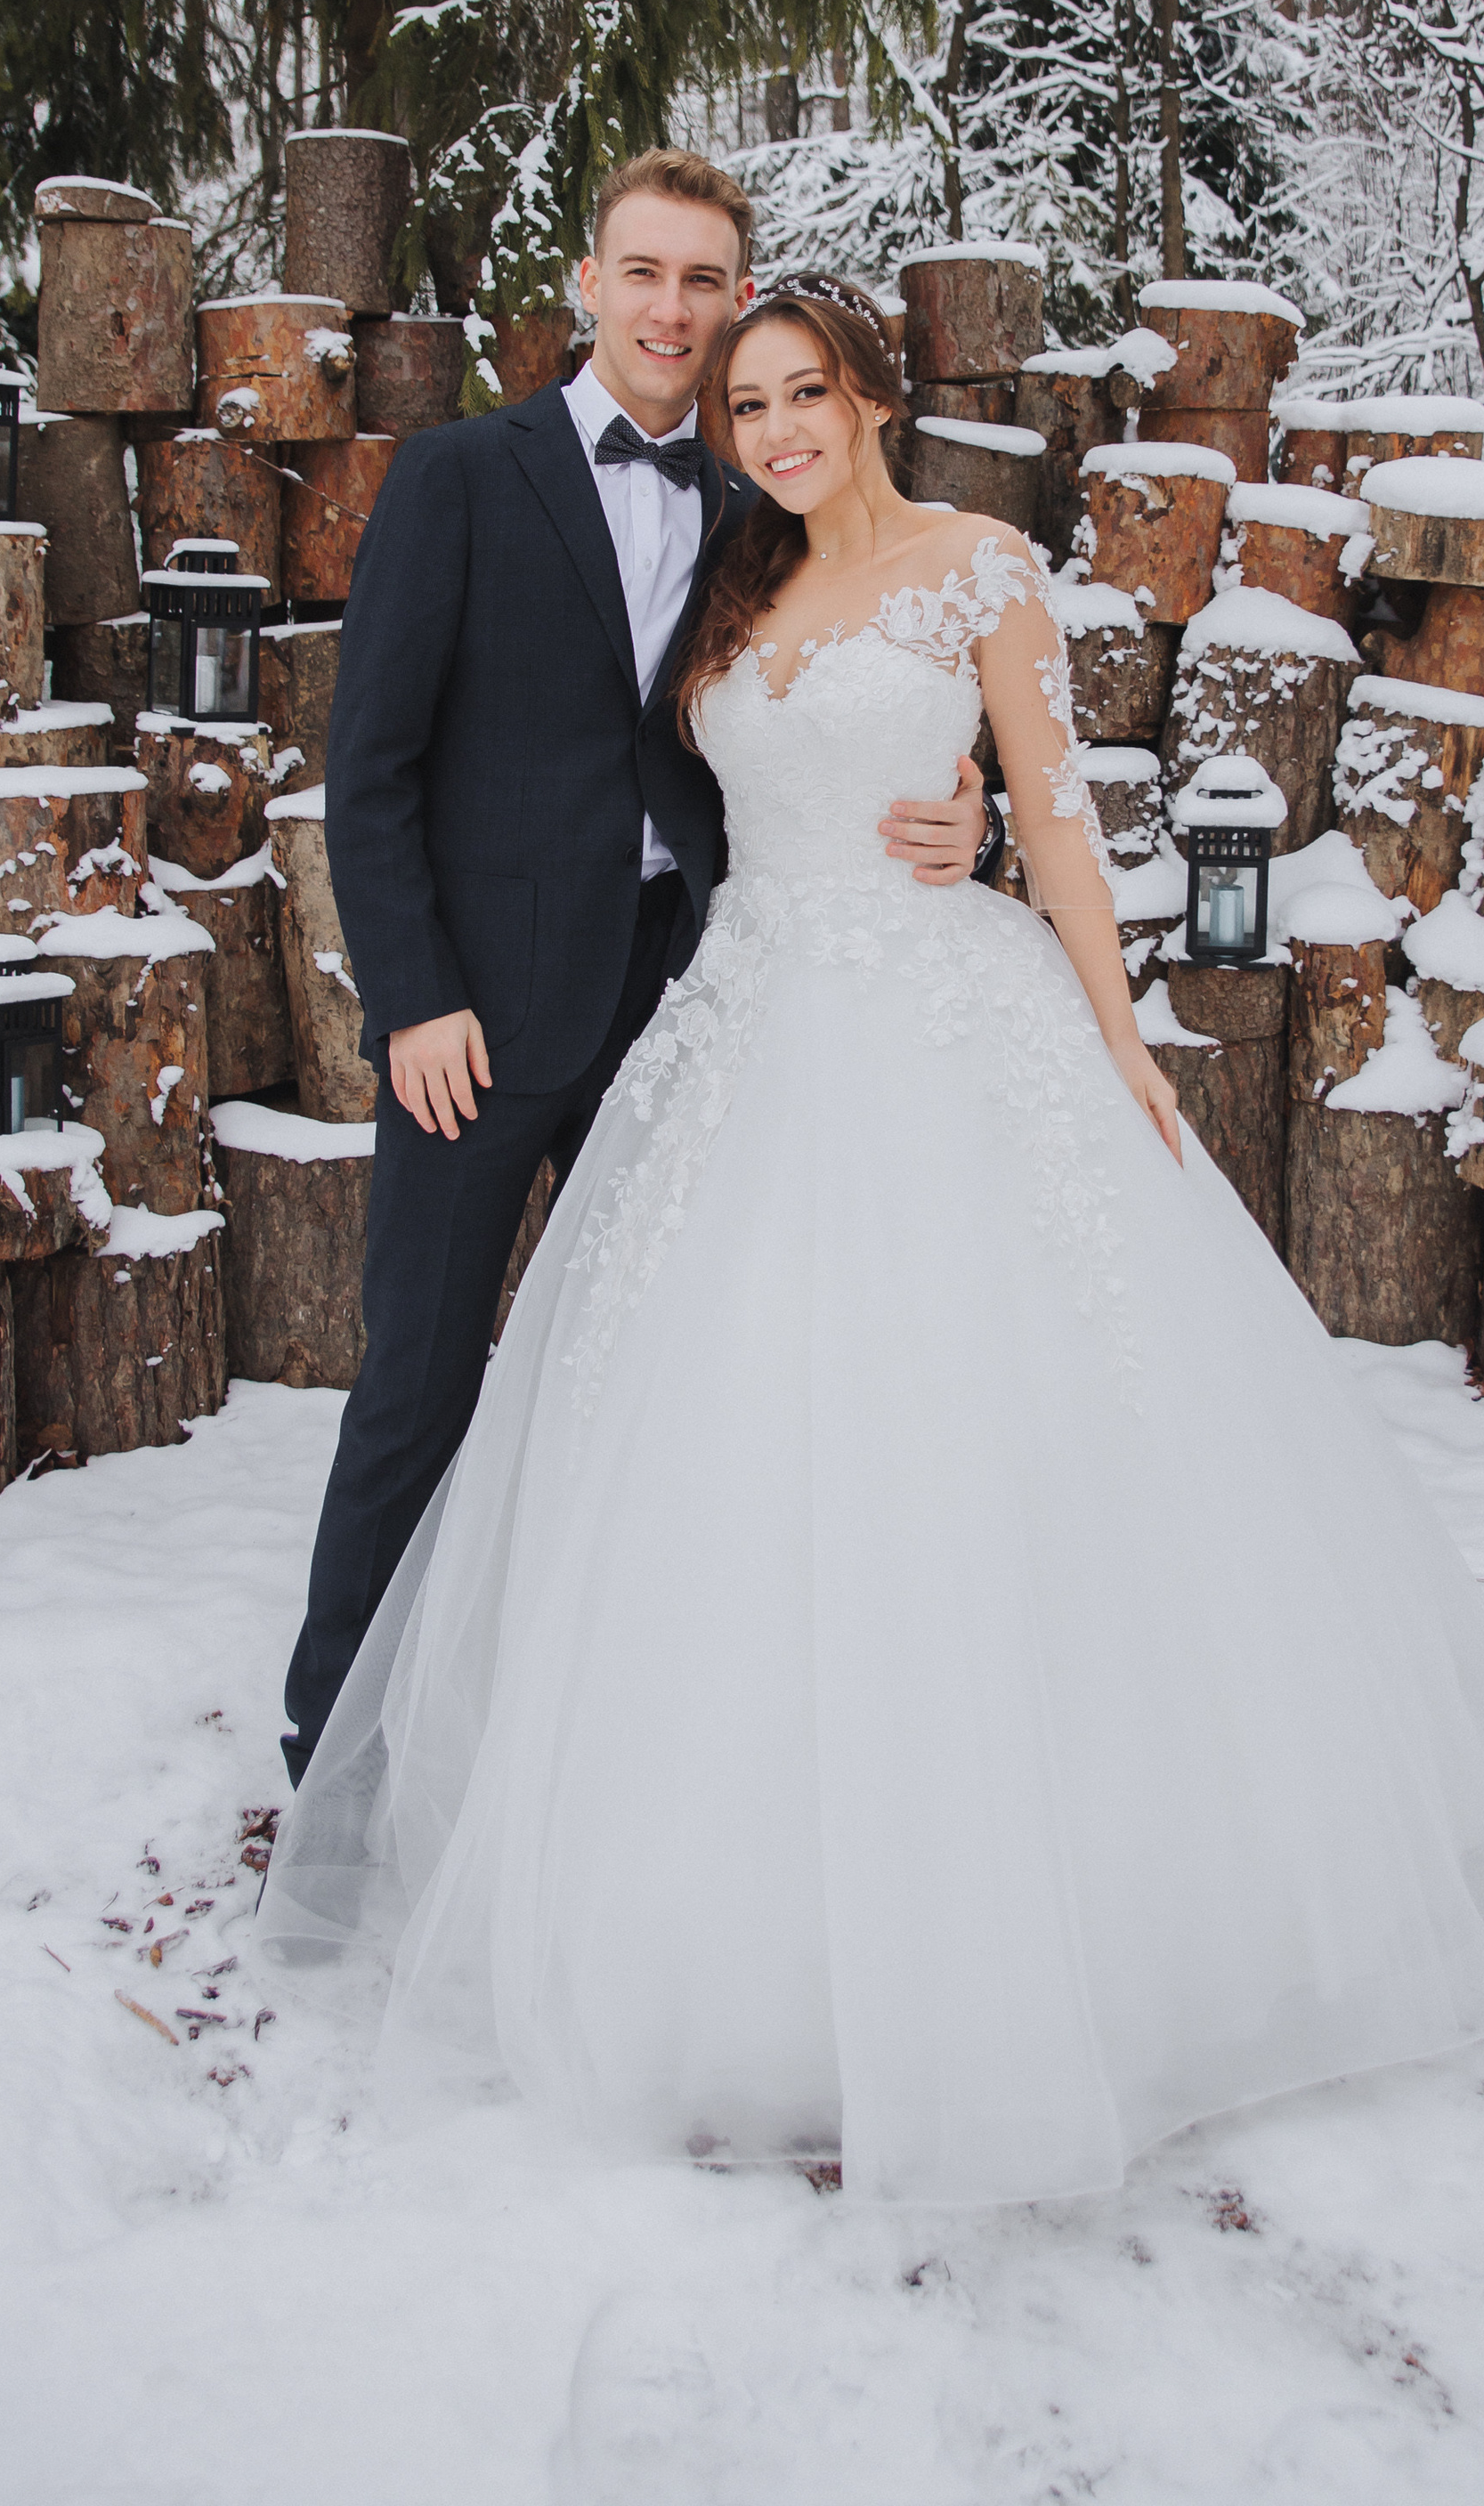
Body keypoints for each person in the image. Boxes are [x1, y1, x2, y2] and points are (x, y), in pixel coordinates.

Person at [265, 275, 1484, 2208]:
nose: (779, 429)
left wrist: (1116, 1032)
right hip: (740, 1034)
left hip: (944, 1029)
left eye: (805, 393)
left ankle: (1075, 1895)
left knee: (988, 1421)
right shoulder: (728, 591)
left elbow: (1047, 815)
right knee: (711, 1456)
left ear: (870, 396)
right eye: (748, 408)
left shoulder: (976, 565)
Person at [281, 156, 993, 1786]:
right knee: (421, 1386)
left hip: (689, 1019)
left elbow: (867, 691)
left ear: (736, 301)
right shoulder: (463, 475)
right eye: (644, 273)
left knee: (640, 1398)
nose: (673, 309)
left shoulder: (770, 502)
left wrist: (967, 810)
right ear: (589, 282)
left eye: (704, 282)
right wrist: (411, 997)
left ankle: (577, 1757)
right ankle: (338, 1755)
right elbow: (369, 766)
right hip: (478, 1020)